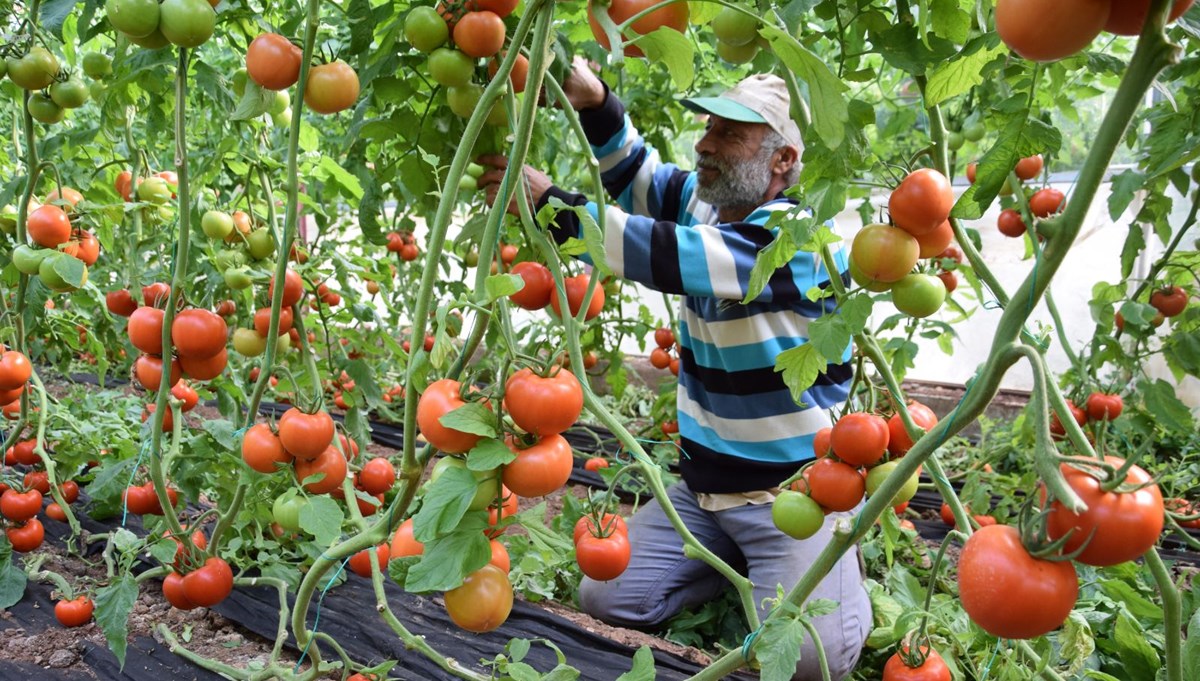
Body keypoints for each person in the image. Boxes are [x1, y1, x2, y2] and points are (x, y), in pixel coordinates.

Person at [478, 60, 871, 680]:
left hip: (797, 495)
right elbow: (639, 178)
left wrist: (554, 206)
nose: (705, 144)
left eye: (729, 134)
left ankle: (813, 565)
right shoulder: (710, 205)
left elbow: (674, 255)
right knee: (607, 597)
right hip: (705, 491)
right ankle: (741, 564)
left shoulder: (803, 242)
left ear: (782, 160)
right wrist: (596, 100)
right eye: (709, 127)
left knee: (810, 661)